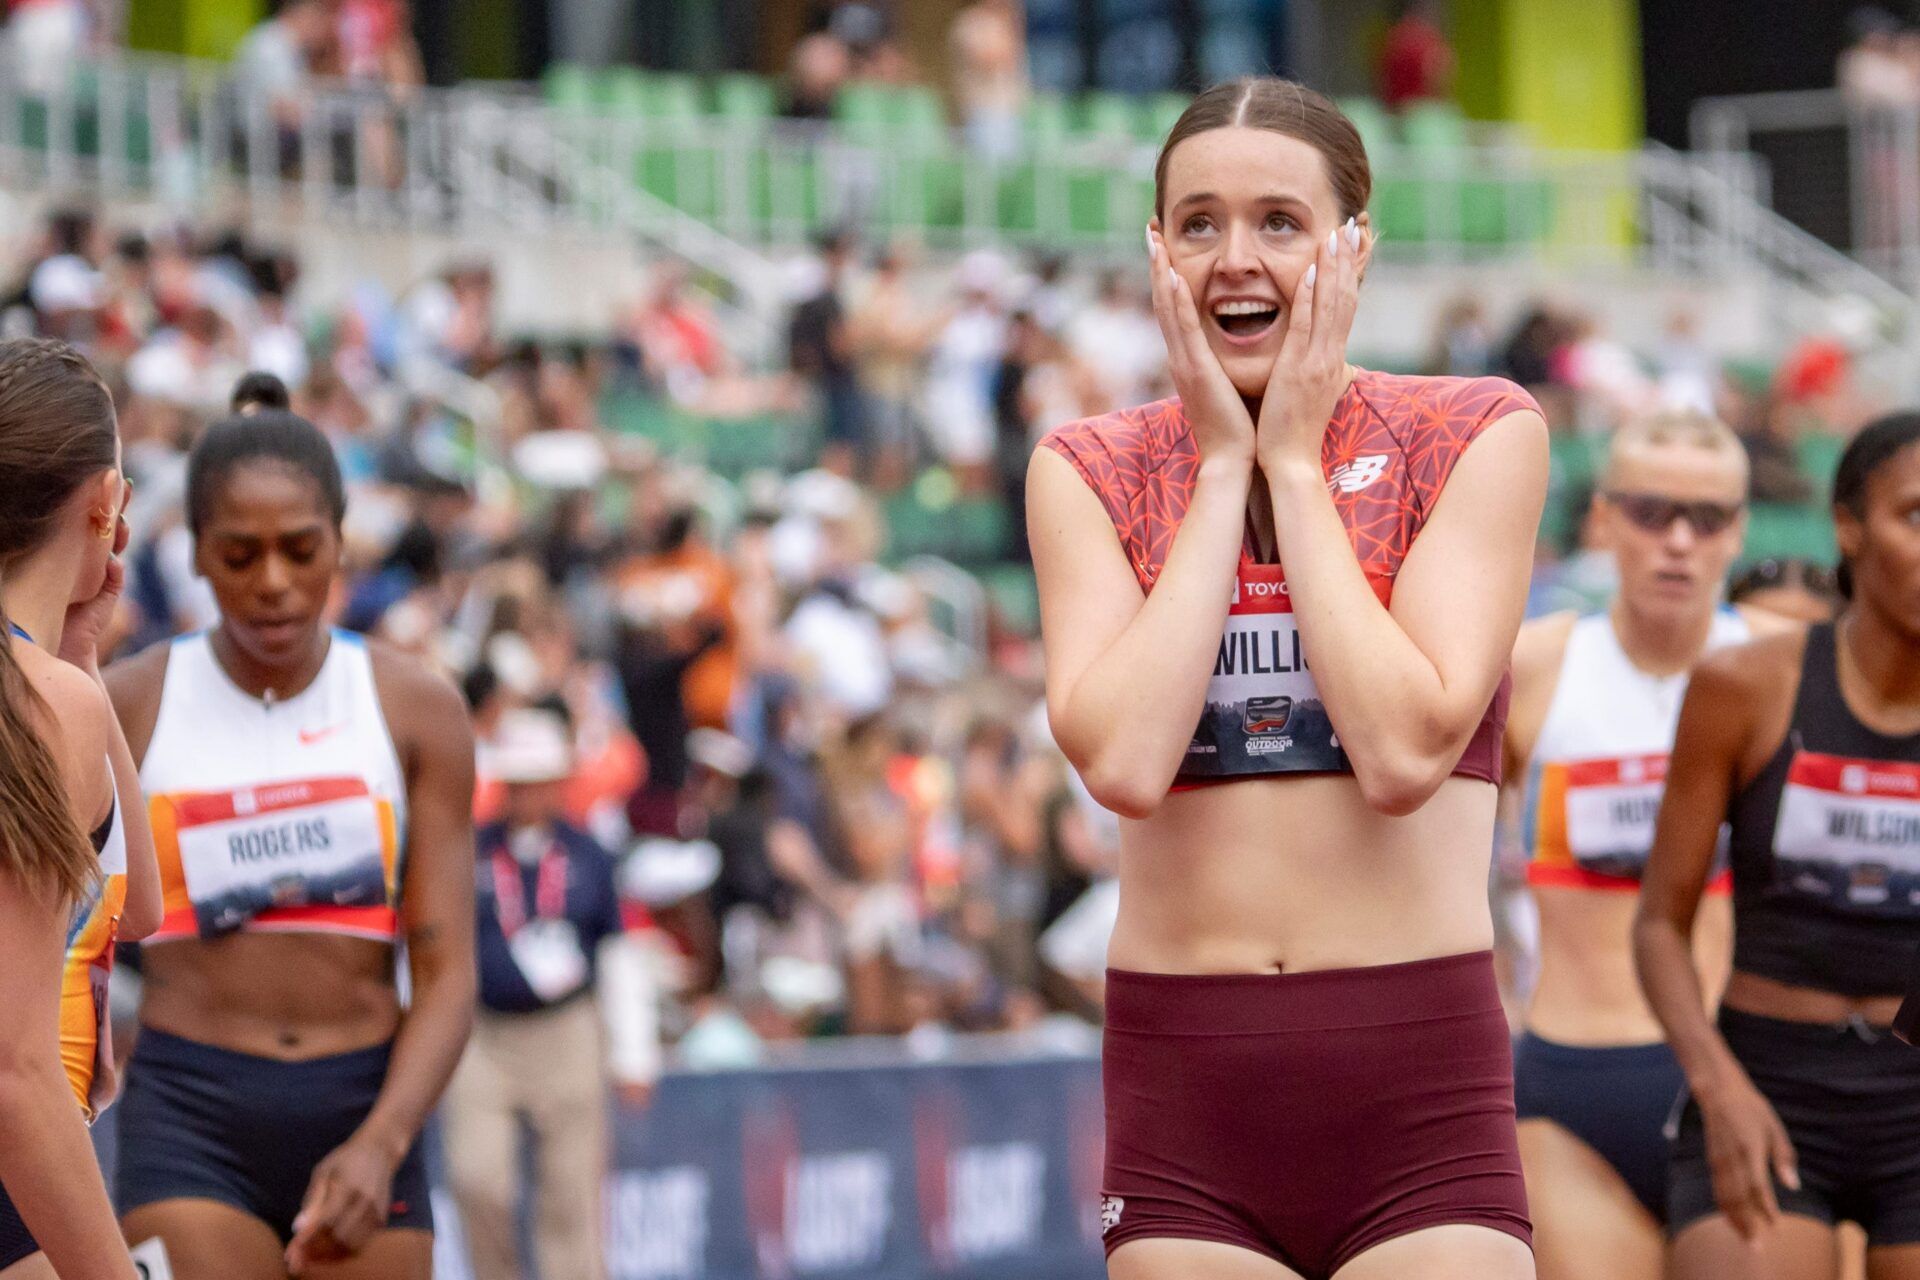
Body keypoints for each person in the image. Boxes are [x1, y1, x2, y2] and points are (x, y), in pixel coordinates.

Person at [1028, 78, 1548, 1280]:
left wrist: (1298, 470)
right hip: (1186, 1087)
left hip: (1416, 1077)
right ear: (1156, 251)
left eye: (1279, 220)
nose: (1235, 258)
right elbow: (1123, 761)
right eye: (1198, 223)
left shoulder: (1474, 430)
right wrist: (1221, 469)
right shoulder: (1089, 465)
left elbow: (1409, 751)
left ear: (1353, 243)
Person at [104, 387, 477, 1280]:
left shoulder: (415, 709)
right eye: (239, 554)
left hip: (364, 1104)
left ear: (342, 542)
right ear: (193, 553)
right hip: (189, 1113)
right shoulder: (130, 704)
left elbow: (448, 973)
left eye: (301, 550)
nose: (272, 581)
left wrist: (382, 1144)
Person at [1502, 410, 1792, 1280]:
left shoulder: (1787, 670)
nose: (1678, 542)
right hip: (1573, 1083)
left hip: (1755, 1076)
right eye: (1650, 512)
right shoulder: (1533, 669)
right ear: (1602, 518)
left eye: (1706, 520)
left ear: (1739, 531)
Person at [1635, 412, 1920, 1280]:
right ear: (1848, 526)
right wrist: (1719, 1089)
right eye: (1915, 514)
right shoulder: (1745, 688)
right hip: (1767, 1081)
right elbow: (1658, 927)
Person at [0, 338, 160, 1280]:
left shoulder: (58, 692)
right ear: (105, 500)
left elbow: (132, 909)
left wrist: (86, 654)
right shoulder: (44, 701)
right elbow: (14, 1074)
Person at [445, 705, 658, 1280]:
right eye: (516, 782)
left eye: (537, 782)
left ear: (560, 784)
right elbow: (440, 950)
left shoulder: (589, 854)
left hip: (567, 1031)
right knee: (476, 1177)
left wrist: (633, 1052)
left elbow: (616, 955)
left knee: (570, 1195)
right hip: (486, 1035)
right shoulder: (471, 851)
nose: (525, 795)